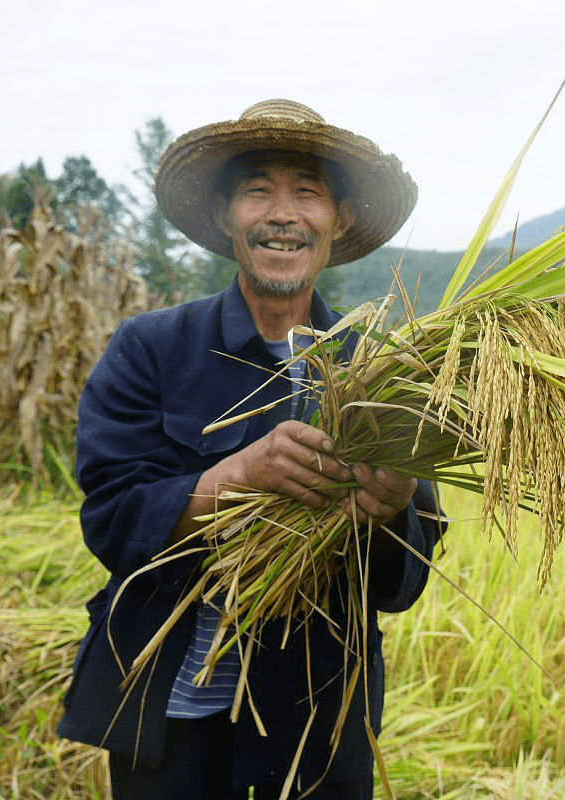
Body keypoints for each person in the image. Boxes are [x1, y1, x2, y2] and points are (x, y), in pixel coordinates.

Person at [56, 99, 444, 799]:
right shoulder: (150, 348)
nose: (282, 212)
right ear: (226, 215)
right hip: (169, 713)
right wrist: (235, 475)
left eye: (307, 190)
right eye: (258, 188)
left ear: (340, 219)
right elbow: (111, 521)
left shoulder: (386, 372)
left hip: (316, 723)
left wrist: (389, 513)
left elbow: (404, 582)